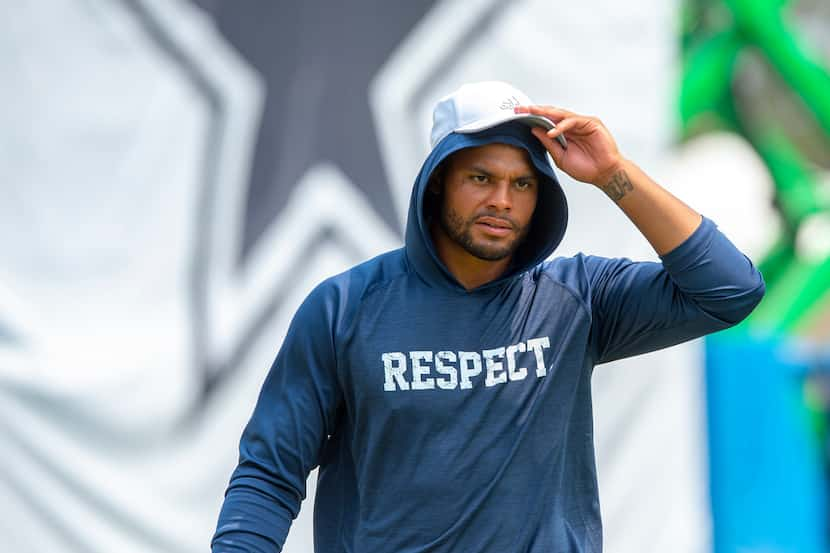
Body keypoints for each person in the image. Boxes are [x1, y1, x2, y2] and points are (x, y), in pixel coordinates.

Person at [211, 81, 765, 552]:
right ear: (437, 183)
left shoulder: (578, 297)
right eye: (481, 178)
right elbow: (269, 474)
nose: (503, 200)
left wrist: (613, 173)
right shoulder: (344, 308)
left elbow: (730, 290)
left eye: (522, 183)